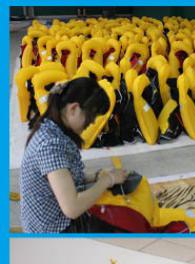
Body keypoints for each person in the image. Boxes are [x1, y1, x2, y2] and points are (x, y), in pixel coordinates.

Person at [20, 77, 127, 233]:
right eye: (90, 118)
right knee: (123, 224)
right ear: (73, 109)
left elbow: (62, 177)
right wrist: (107, 180)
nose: (91, 124)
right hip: (54, 231)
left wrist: (95, 177)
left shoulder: (51, 128)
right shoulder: (50, 144)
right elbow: (72, 208)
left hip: (55, 219)